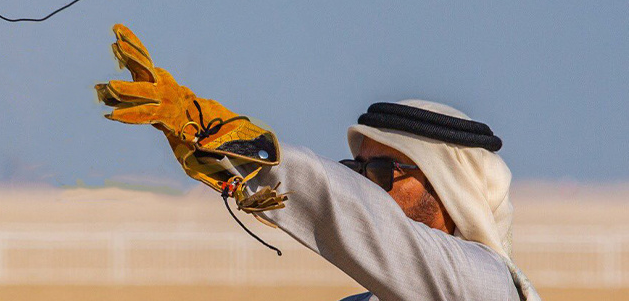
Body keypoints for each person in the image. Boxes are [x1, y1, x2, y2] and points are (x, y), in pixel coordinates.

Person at [96, 25, 540, 301]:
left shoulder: (483, 286)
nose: (367, 188)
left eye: (384, 173)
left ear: (450, 190)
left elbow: (354, 215)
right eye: (358, 172)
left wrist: (244, 150)